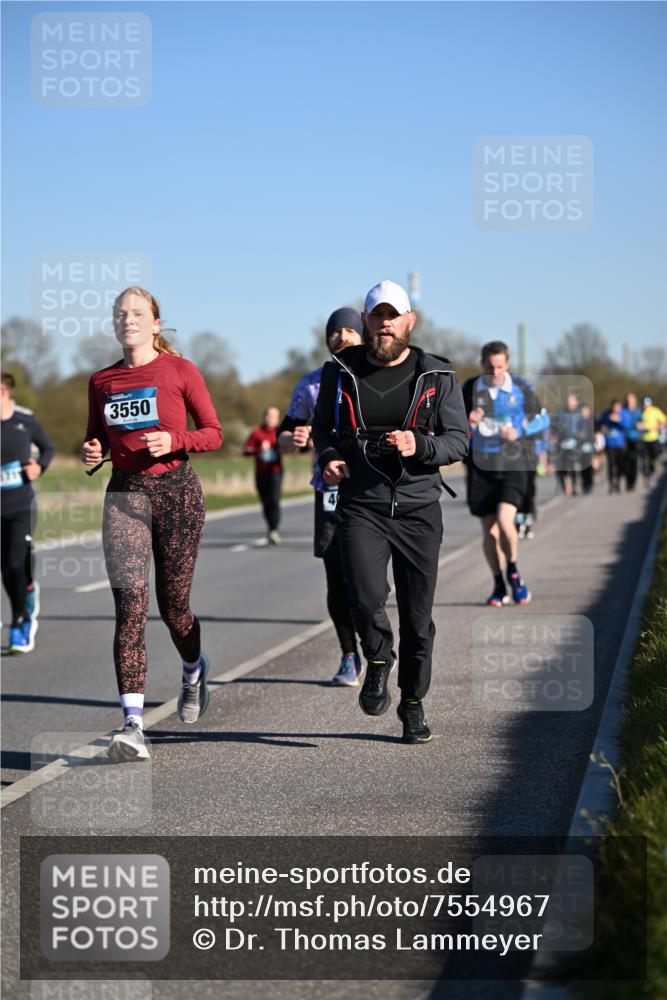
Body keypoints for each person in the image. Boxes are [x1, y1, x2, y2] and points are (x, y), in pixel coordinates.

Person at [312, 280, 469, 744]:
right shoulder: (338, 372)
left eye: (392, 315)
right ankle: (378, 656)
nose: (384, 324)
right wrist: (328, 458)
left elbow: (458, 441)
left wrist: (419, 443)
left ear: (409, 321)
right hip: (363, 504)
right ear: (365, 321)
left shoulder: (437, 375)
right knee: (362, 596)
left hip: (419, 508)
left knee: (419, 620)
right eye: (376, 316)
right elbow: (323, 428)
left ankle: (414, 703)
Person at [82, 287, 222, 761]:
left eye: (138, 313)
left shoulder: (180, 371)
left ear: (156, 323)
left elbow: (213, 432)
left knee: (174, 606)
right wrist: (94, 452)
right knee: (130, 609)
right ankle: (133, 725)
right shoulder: (101, 381)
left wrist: (175, 439)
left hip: (177, 493)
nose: (129, 320)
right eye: (121, 314)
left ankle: (193, 668)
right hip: (124, 497)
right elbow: (96, 439)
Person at [278, 307, 364, 686]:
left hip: (372, 488)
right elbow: (283, 436)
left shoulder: (376, 379)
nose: (342, 336)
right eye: (336, 331)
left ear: (362, 335)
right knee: (337, 580)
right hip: (328, 489)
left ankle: (377, 645)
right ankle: (349, 655)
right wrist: (292, 440)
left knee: (367, 579)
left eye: (349, 330)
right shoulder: (311, 385)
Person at [462, 343, 547, 607]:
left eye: (500, 367)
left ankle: (513, 570)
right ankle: (499, 584)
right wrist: (469, 423)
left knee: (505, 521)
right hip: (481, 466)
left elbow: (543, 420)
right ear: (482, 365)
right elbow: (452, 426)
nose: (495, 372)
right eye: (490, 367)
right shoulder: (470, 388)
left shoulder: (520, 387)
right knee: (489, 531)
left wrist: (519, 432)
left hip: (513, 463)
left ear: (507, 365)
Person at [1, 372, 55, 652]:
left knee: (13, 563)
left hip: (21, 505)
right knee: (7, 570)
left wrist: (39, 467)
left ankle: (20, 621)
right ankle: (25, 597)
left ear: (3, 392)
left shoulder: (25, 422)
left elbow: (48, 448)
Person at [244, 407, 283, 544]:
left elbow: (289, 448)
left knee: (274, 500)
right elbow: (246, 450)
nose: (271, 418)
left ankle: (274, 529)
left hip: (275, 471)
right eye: (269, 415)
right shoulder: (256, 433)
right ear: (264, 417)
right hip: (261, 473)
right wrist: (259, 449)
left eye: (274, 416)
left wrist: (277, 447)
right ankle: (270, 527)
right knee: (266, 502)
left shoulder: (280, 433)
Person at [638, 395, 667, 488]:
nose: (646, 406)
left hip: (654, 439)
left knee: (653, 458)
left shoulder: (655, 411)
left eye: (647, 404)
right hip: (643, 439)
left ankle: (653, 472)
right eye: (644, 404)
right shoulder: (640, 412)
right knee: (644, 459)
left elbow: (664, 421)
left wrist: (657, 427)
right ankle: (646, 476)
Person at [598, 399, 626, 493]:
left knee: (620, 466)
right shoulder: (606, 414)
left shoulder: (623, 414)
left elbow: (627, 426)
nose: (616, 409)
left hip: (620, 444)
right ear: (611, 407)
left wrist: (619, 420)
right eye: (614, 407)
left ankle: (617, 483)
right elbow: (600, 424)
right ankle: (611, 485)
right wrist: (603, 427)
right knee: (610, 466)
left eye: (618, 407)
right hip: (610, 445)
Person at [621, 393, 643, 492]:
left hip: (635, 439)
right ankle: (628, 482)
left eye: (632, 400)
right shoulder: (622, 410)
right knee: (625, 462)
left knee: (634, 462)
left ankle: (632, 484)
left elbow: (641, 421)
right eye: (628, 400)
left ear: (635, 401)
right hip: (624, 439)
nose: (630, 402)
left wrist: (641, 425)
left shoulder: (639, 411)